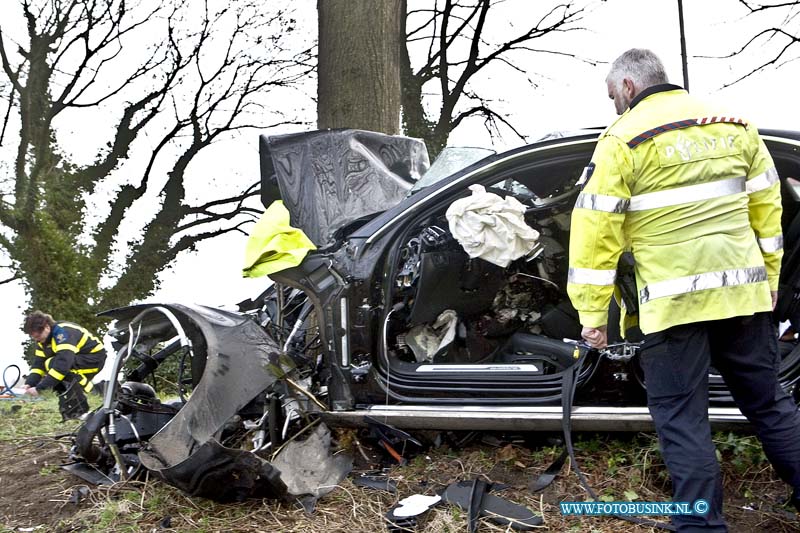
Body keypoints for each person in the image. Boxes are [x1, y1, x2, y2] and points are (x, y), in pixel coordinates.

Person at [567, 48, 800, 531]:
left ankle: (701, 526)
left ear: (628, 87)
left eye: (612, 95)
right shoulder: (735, 125)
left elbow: (595, 232)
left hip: (674, 308)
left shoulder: (623, 138)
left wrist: (591, 315)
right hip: (744, 299)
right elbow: (767, 209)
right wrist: (771, 281)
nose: (613, 105)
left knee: (682, 420)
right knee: (770, 406)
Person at [22, 311, 107, 421]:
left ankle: (93, 392)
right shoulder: (42, 341)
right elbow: (39, 365)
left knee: (54, 364)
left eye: (38, 336)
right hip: (77, 359)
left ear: (46, 327)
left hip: (94, 358)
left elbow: (63, 365)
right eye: (33, 337)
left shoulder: (62, 332)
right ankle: (94, 390)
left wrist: (40, 388)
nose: (36, 340)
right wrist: (29, 383)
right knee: (50, 364)